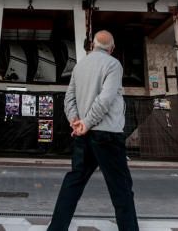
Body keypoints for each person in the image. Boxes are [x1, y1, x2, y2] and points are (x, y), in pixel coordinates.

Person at [48, 30, 138, 231]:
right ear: (112, 49)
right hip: (107, 135)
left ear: (92, 45)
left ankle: (56, 228)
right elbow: (105, 99)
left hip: (84, 135)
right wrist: (86, 123)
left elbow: (69, 98)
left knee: (74, 182)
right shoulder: (113, 64)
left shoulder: (80, 66)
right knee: (121, 188)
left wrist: (75, 121)